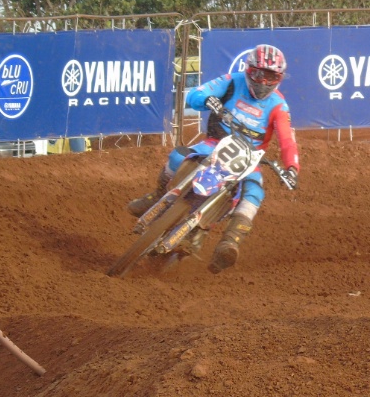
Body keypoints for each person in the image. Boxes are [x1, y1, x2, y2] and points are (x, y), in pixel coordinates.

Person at [127, 44, 300, 274]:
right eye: (259, 74)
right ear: (249, 70)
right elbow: (195, 94)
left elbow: (287, 141)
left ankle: (230, 241)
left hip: (248, 159)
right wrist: (208, 99)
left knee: (255, 191)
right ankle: (158, 196)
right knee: (178, 157)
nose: (263, 82)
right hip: (215, 143)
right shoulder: (232, 81)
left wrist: (292, 168)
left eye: (271, 76)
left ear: (279, 77)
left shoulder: (279, 106)